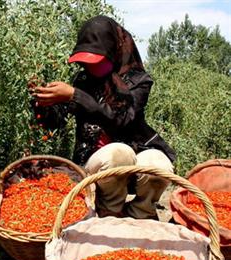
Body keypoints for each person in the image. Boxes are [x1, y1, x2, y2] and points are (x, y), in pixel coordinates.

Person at [31, 16, 176, 220]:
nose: (90, 68)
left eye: (97, 61)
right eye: (86, 62)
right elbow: (56, 123)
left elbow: (123, 119)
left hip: (134, 159)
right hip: (97, 165)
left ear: (113, 52)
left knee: (157, 163)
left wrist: (75, 96)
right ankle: (109, 211)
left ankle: (140, 213)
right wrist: (44, 105)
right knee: (118, 154)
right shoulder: (82, 81)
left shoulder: (138, 82)